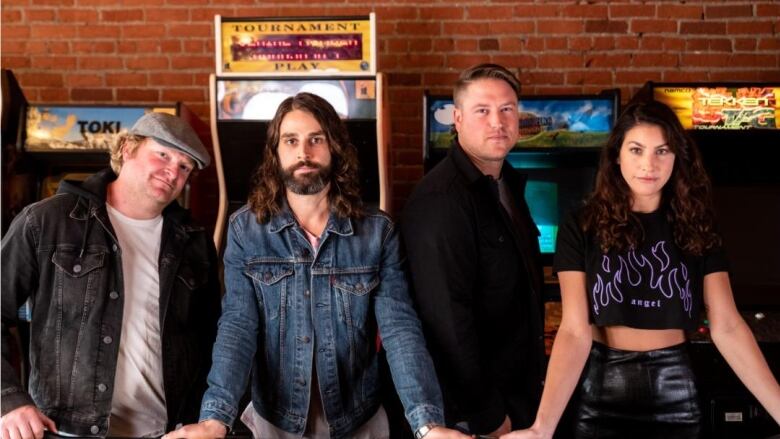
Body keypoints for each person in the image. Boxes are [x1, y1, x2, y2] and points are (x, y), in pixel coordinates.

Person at [163, 93, 469, 439]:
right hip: (274, 419)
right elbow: (238, 326)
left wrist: (427, 424)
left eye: (316, 139)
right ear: (275, 152)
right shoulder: (244, 230)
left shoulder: (377, 232)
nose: (303, 153)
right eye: (291, 141)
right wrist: (215, 419)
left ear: (334, 147)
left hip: (358, 415)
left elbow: (400, 329)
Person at [503, 101, 780, 439]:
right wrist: (541, 428)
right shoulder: (582, 225)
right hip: (601, 390)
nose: (649, 164)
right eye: (636, 150)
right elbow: (574, 331)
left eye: (662, 151)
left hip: (676, 391)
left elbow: (728, 327)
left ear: (676, 157)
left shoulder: (696, 224)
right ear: (617, 155)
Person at [1, 112, 222, 438]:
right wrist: (9, 399)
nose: (173, 171)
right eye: (162, 154)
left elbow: (213, 339)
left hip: (167, 431)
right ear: (128, 149)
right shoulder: (48, 221)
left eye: (184, 166)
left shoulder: (193, 241)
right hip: (67, 431)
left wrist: (210, 418)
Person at [401, 63, 546, 437]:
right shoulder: (441, 200)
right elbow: (447, 320)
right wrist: (490, 416)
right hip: (472, 417)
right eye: (483, 111)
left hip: (515, 401)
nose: (497, 122)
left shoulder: (504, 183)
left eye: (507, 109)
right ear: (459, 119)